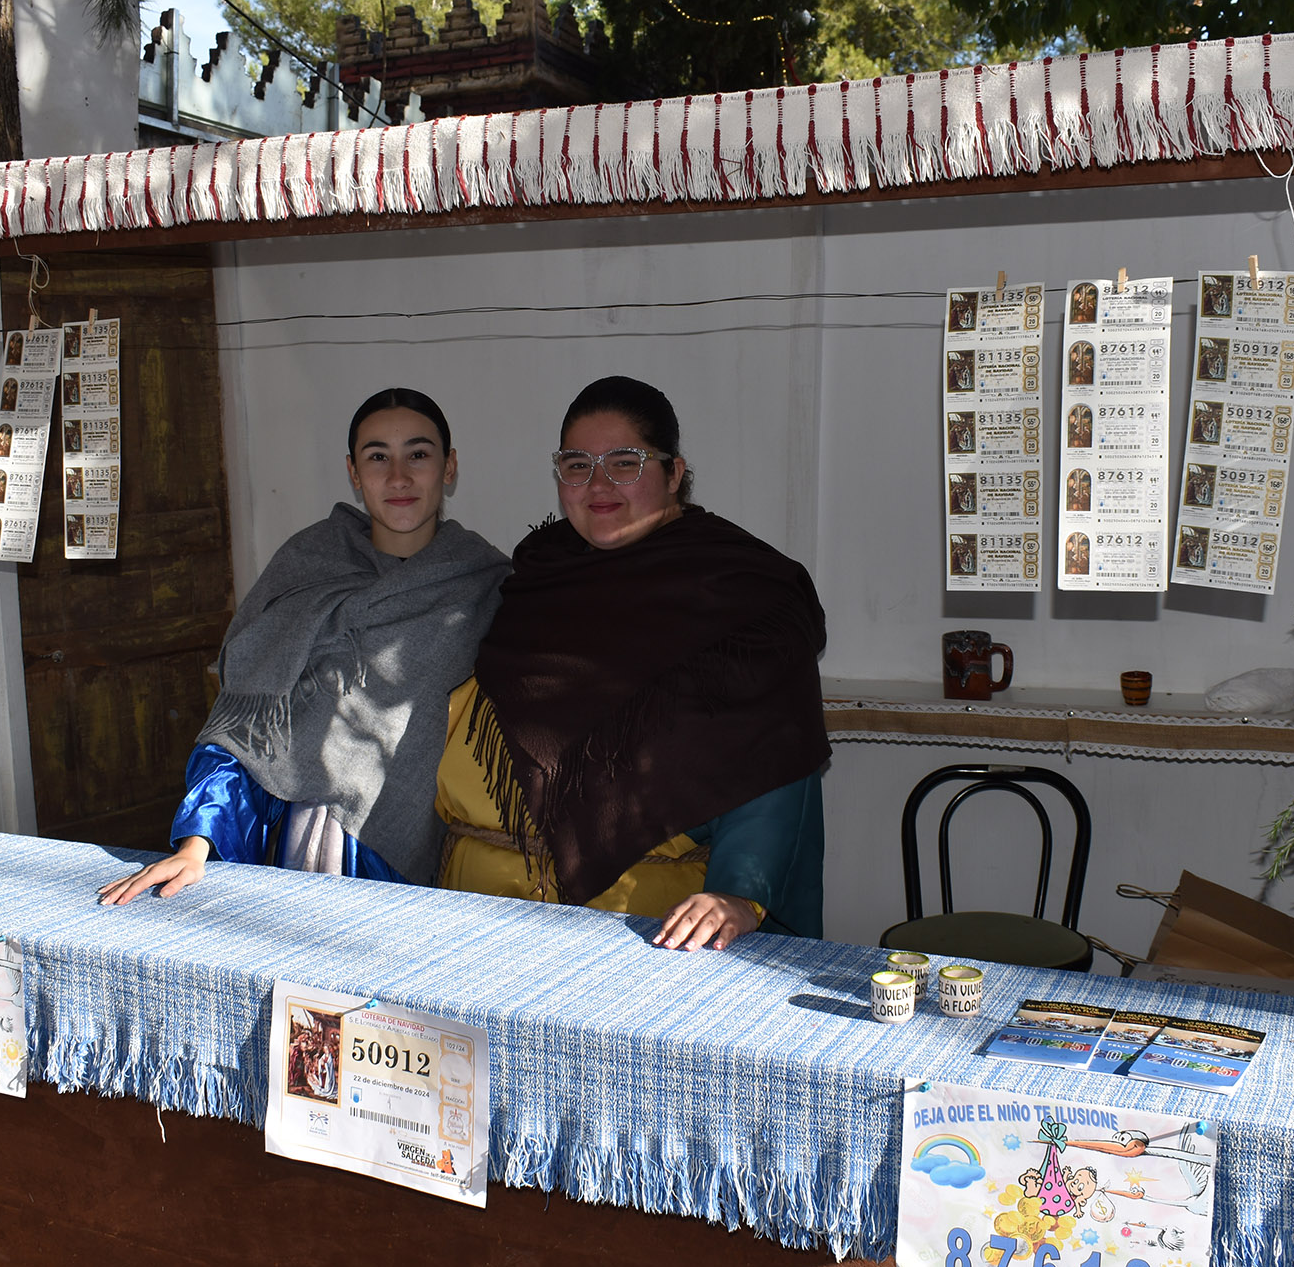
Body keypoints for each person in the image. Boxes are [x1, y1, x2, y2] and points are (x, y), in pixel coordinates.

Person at [436, 376, 829, 951]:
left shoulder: (742, 592)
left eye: (625, 462)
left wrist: (738, 894)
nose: (598, 484)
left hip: (641, 930)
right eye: (577, 464)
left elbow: (773, 747)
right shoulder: (538, 575)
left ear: (674, 473)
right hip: (479, 910)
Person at [100, 388, 509, 904]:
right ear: (354, 473)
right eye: (378, 456)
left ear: (448, 467)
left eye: (419, 455)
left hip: (405, 856)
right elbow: (243, 728)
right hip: (288, 839)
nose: (399, 476)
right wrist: (197, 844)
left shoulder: (487, 588)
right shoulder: (306, 564)